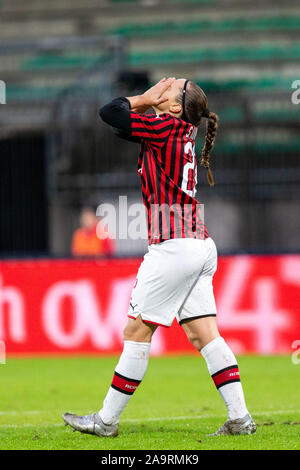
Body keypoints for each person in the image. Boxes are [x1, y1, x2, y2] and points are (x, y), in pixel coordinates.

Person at [63, 77, 256, 437]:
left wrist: (142, 98)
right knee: (204, 335)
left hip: (174, 246)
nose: (164, 84)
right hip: (199, 245)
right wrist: (145, 105)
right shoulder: (178, 131)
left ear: (176, 107)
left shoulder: (165, 127)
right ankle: (240, 419)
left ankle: (105, 422)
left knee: (136, 330)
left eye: (171, 86)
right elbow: (121, 126)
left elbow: (110, 112)